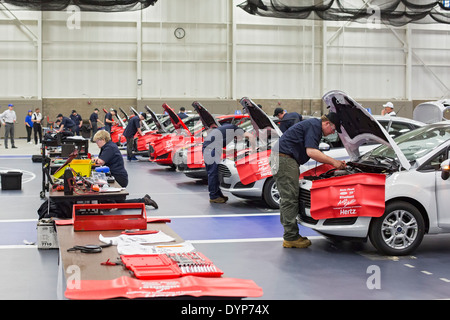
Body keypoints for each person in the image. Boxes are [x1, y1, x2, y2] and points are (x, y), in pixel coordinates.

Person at [270, 113, 346, 249]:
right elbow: (312, 152)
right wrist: (334, 162)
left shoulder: (313, 124)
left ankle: (291, 234)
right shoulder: (314, 126)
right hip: (285, 159)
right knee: (289, 198)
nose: (333, 133)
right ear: (327, 123)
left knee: (288, 197)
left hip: (282, 158)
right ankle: (291, 237)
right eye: (334, 130)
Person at [92, 130, 158, 208]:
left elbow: (100, 162)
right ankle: (143, 200)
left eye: (97, 141)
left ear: (103, 139)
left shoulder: (109, 148)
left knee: (118, 203)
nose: (96, 144)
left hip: (118, 178)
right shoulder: (108, 146)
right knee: (120, 203)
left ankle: (144, 201)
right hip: (117, 176)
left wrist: (92, 161)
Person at [202, 123, 256, 203]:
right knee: (213, 174)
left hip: (209, 149)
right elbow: (251, 137)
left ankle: (218, 194)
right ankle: (214, 196)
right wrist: (253, 151)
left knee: (215, 173)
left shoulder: (227, 129)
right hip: (210, 150)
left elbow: (215, 143)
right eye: (240, 138)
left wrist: (227, 151)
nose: (239, 139)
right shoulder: (234, 128)